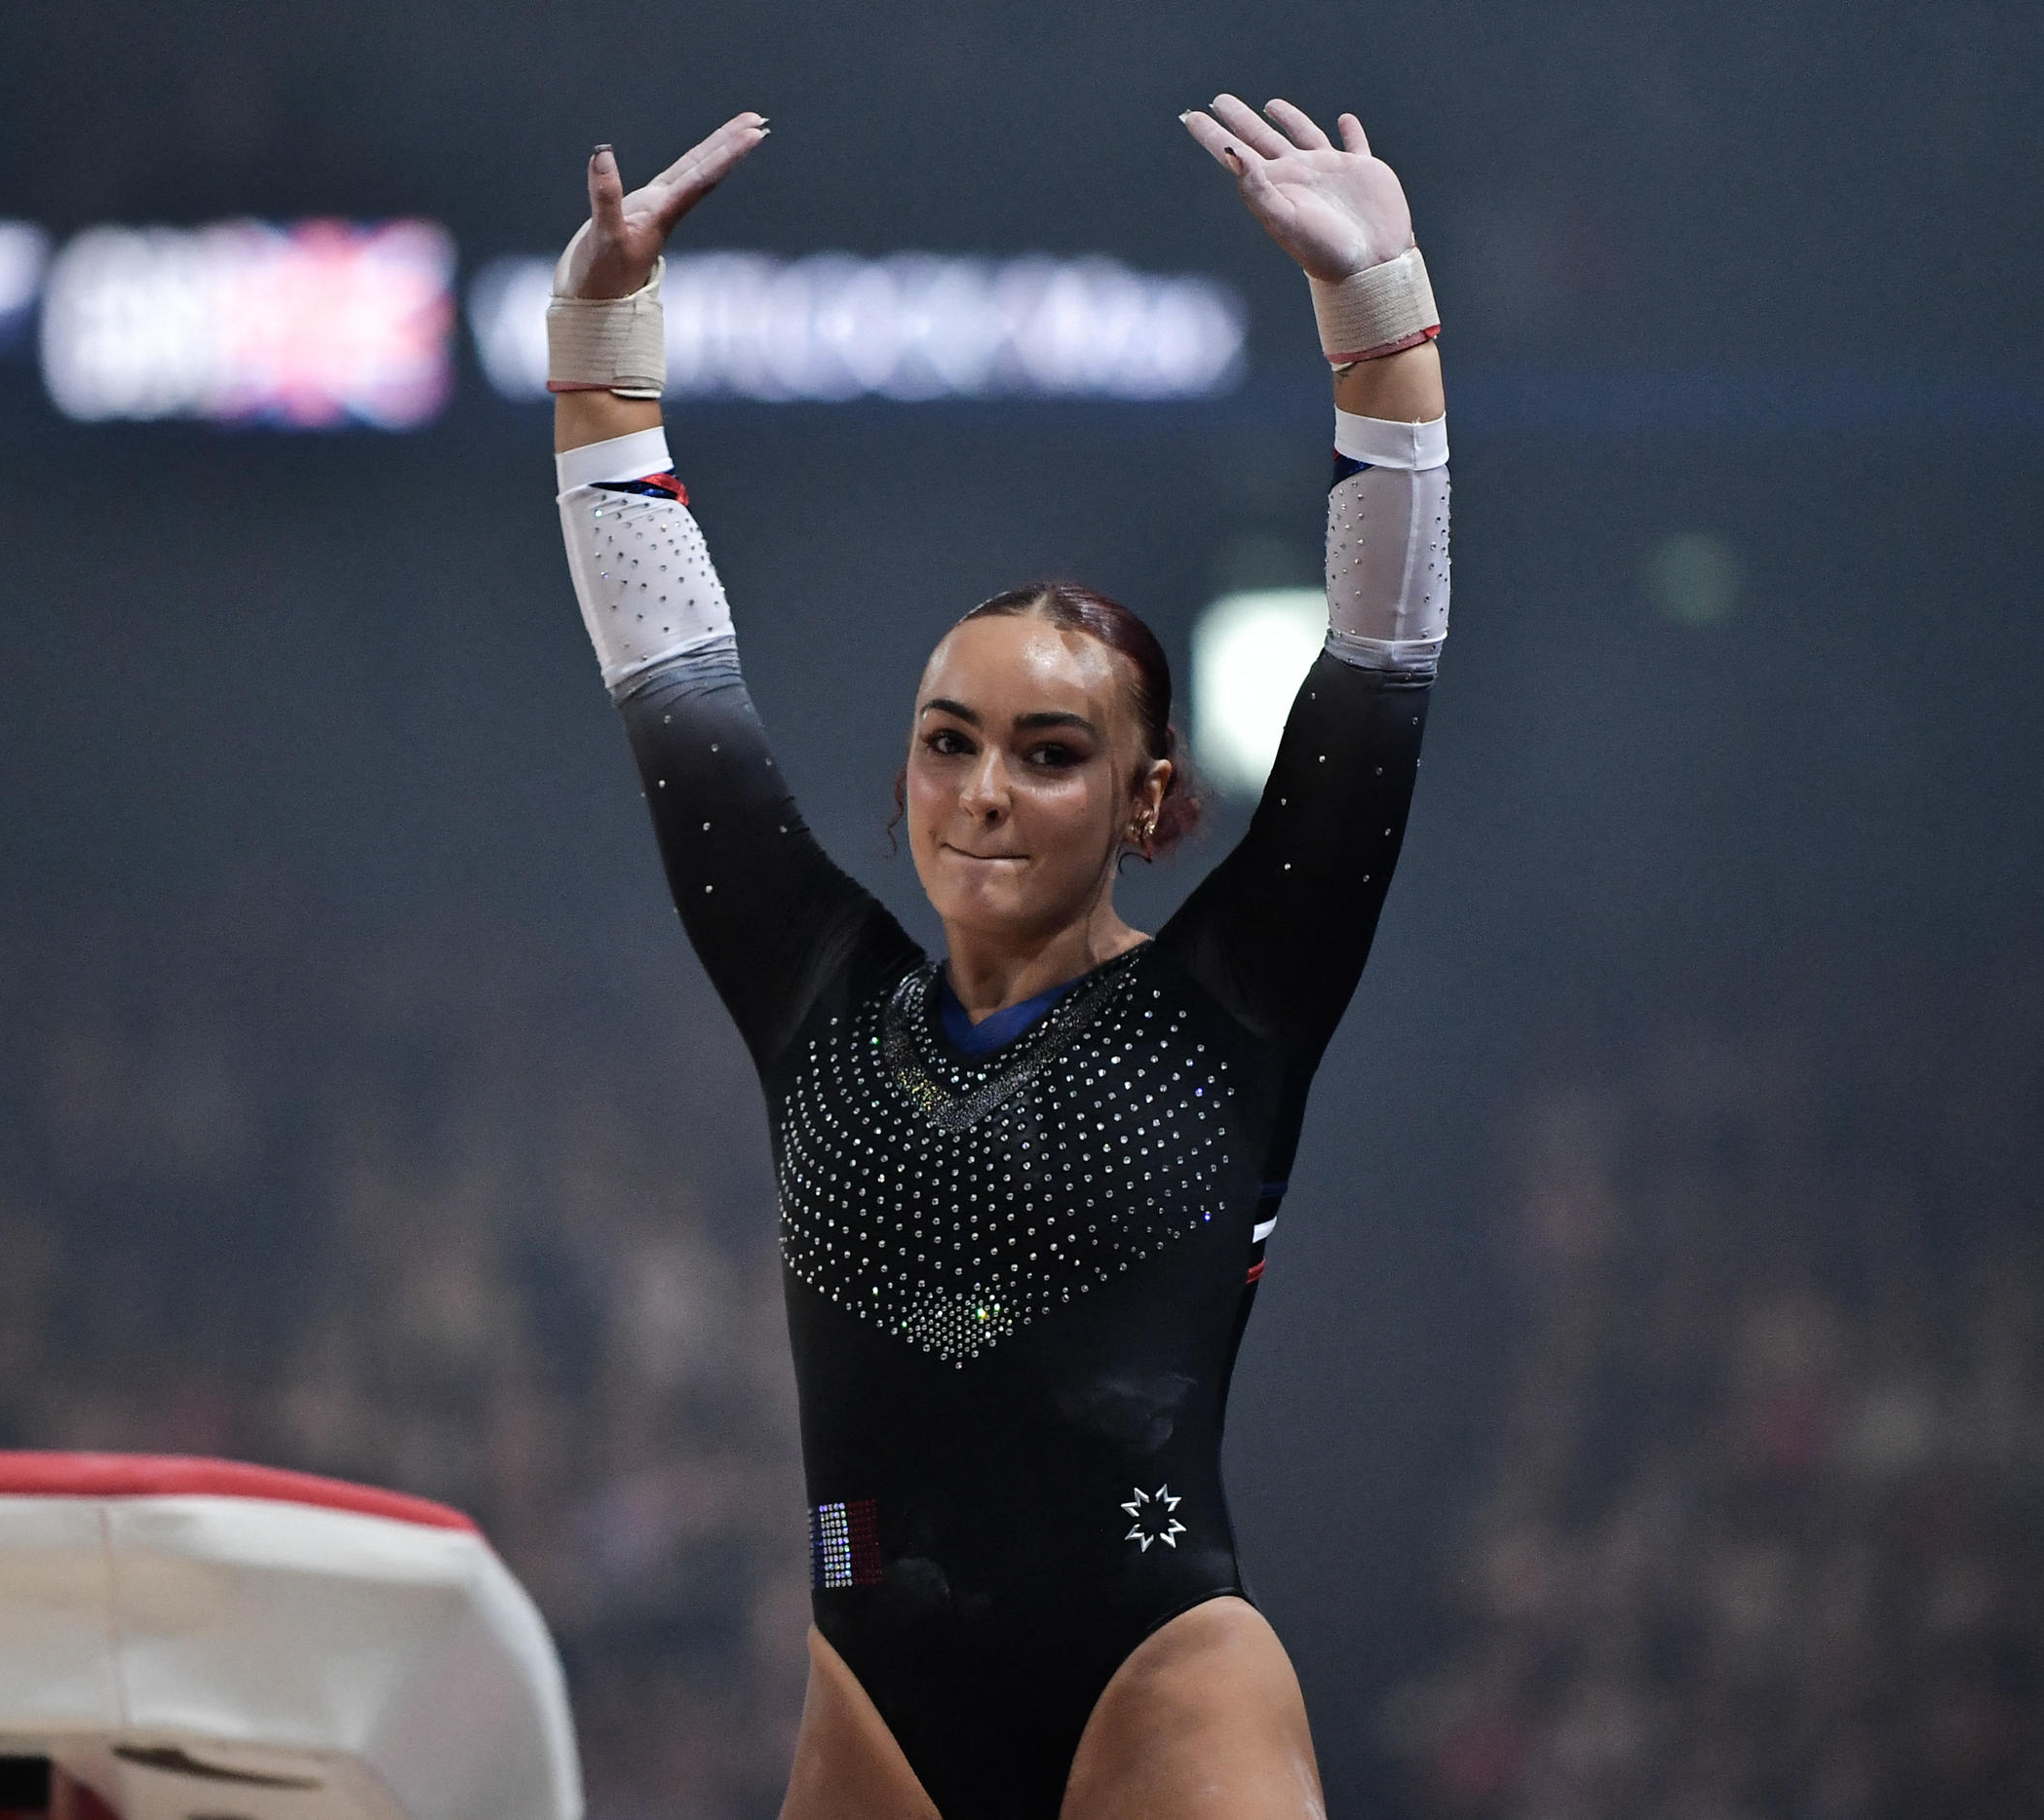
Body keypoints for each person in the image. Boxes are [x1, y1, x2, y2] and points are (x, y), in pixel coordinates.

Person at [544, 96, 1449, 1820]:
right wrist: (600, 338)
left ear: (1149, 799)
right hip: (873, 1719)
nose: (982, 792)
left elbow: (1384, 656)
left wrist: (1382, 313)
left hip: (1159, 1691)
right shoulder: (820, 1001)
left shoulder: (1229, 1005)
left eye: (1049, 753)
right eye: (948, 742)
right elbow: (667, 667)